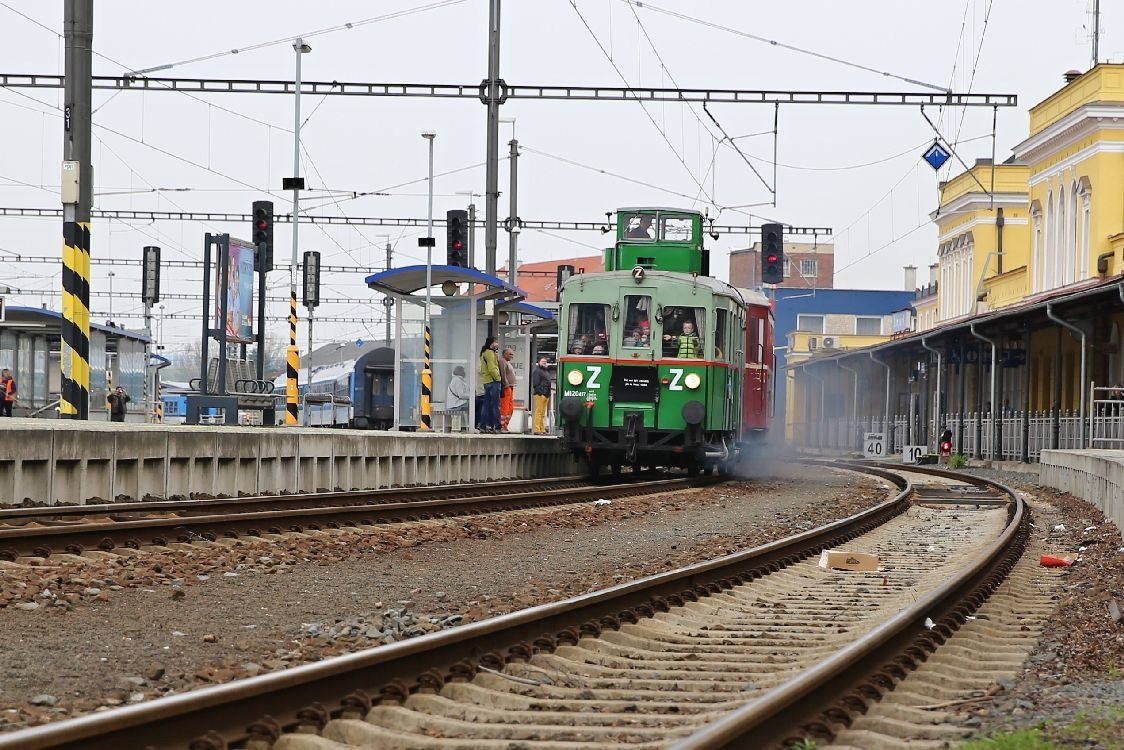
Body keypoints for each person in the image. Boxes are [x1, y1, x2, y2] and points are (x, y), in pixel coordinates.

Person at [478, 337, 502, 433]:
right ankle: (497, 426)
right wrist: (498, 378)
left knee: (486, 404)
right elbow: (492, 368)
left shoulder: (484, 353)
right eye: (496, 342)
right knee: (496, 405)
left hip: (486, 381)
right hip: (493, 382)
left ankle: (483, 425)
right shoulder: (490, 353)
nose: (497, 344)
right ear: (492, 343)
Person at [531, 357, 552, 436]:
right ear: (538, 362)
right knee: (539, 412)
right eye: (543, 361)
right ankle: (537, 429)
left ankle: (542, 429)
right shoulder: (537, 371)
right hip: (541, 394)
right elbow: (536, 384)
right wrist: (541, 393)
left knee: (543, 413)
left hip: (546, 394)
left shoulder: (545, 371)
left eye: (545, 361)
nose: (544, 362)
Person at [499, 346, 517, 433]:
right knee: (505, 407)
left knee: (510, 408)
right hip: (506, 387)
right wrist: (505, 385)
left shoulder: (507, 362)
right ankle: (502, 426)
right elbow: (503, 374)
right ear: (505, 354)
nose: (512, 356)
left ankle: (505, 425)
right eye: (510, 354)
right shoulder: (502, 361)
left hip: (510, 387)